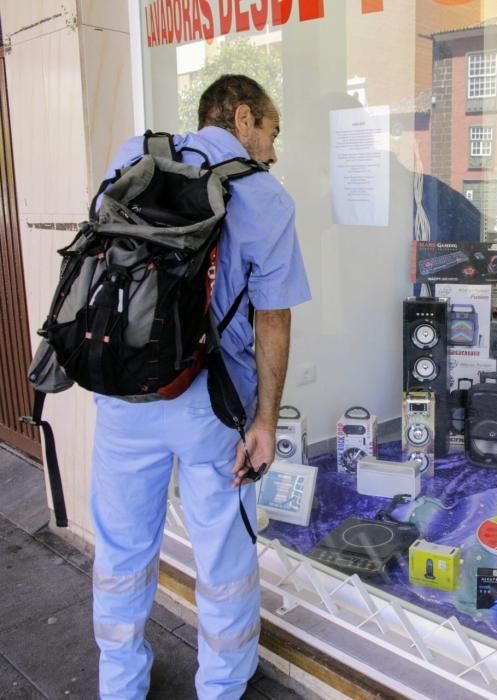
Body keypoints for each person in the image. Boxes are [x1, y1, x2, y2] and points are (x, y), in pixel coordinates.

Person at [89, 75, 311, 699]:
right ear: (243, 117)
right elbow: (273, 317)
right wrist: (266, 421)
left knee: (122, 549)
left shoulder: (132, 154)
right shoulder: (265, 195)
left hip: (123, 394)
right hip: (214, 404)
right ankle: (221, 684)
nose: (272, 149)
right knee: (222, 560)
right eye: (272, 130)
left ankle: (120, 681)